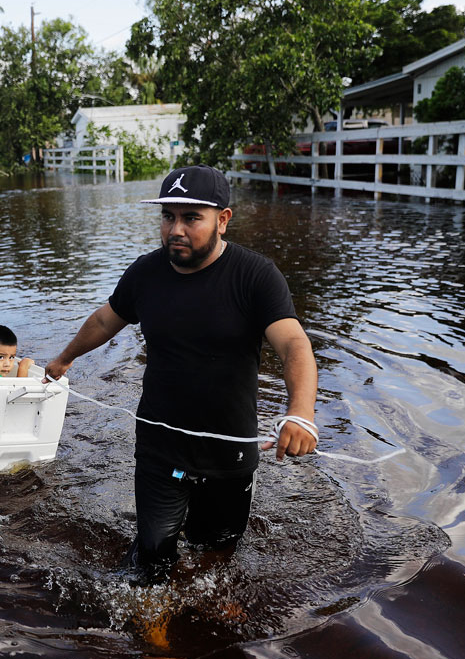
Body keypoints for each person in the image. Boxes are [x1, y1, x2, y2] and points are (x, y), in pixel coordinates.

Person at [43, 164, 318, 581]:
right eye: (168, 216)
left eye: (192, 218)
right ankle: (155, 632)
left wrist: (301, 413)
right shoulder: (145, 273)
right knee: (153, 552)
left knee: (217, 550)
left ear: (223, 220)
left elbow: (293, 344)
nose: (176, 229)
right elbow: (106, 320)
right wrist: (64, 359)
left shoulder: (255, 277)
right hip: (160, 446)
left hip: (229, 449)